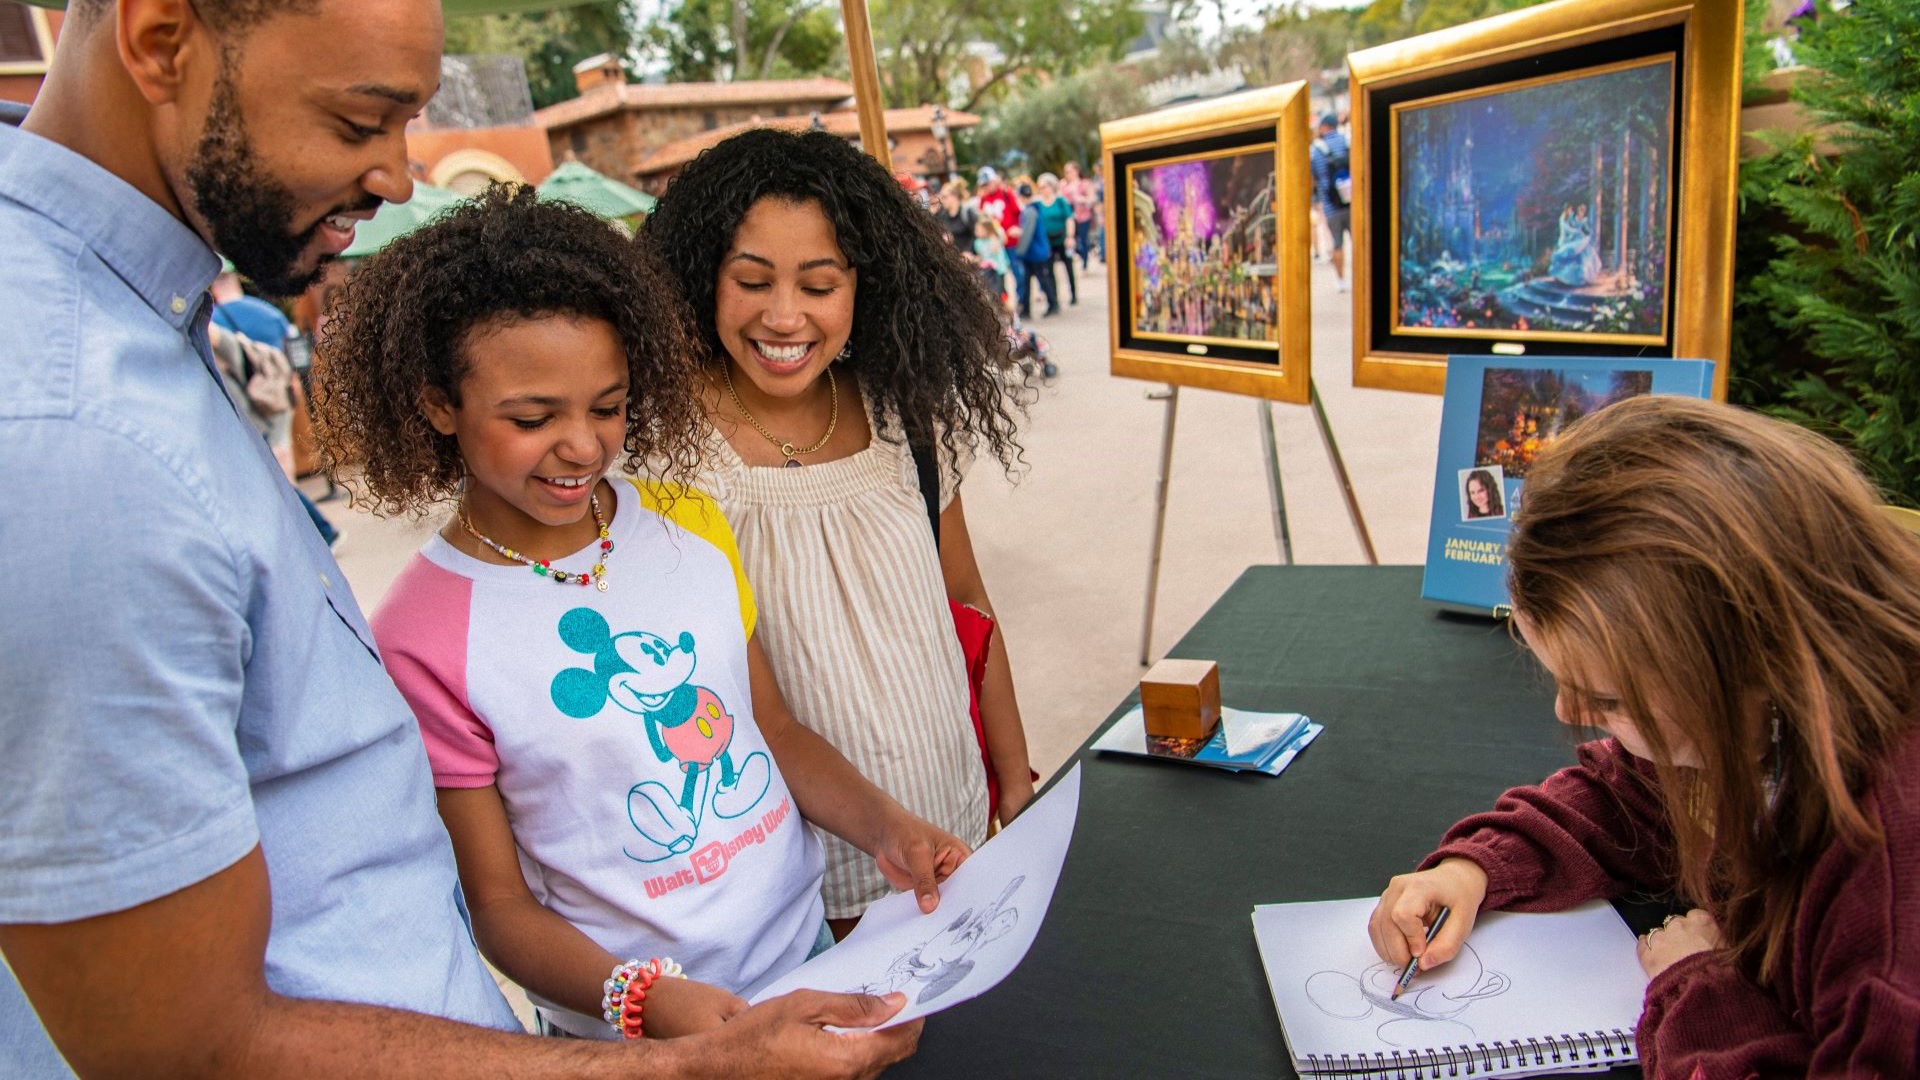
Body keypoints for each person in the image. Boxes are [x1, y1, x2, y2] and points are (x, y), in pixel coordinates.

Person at [0, 0, 919, 1075]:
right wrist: (678, 1056)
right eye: (358, 122)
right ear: (160, 39)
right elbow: (184, 1038)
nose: (398, 177)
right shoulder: (68, 432)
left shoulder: (129, 343)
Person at [314, 184, 969, 1041]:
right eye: (533, 416)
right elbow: (500, 908)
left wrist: (888, 828)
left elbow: (771, 729)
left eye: (609, 406)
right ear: (439, 404)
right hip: (641, 1032)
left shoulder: (687, 523)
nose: (583, 445)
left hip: (808, 951)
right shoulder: (421, 636)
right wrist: (649, 1002)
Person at [1369, 396, 1920, 1079]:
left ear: (1745, 662)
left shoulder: (1889, 880)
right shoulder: (1762, 714)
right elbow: (1635, 798)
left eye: (1608, 698)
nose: (1570, 713)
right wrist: (1475, 868)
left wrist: (1701, 993)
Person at [641, 128, 1038, 939]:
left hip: (953, 843)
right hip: (792, 890)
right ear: (699, 280)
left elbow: (966, 599)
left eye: (819, 285)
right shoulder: (663, 451)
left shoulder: (908, 421)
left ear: (868, 287)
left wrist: (1012, 781)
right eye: (751, 280)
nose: (784, 315)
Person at [213, 258, 342, 548]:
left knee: (275, 475)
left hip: (249, 404)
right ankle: (314, 532)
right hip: (280, 395)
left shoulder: (215, 322)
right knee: (281, 466)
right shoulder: (267, 312)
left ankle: (318, 532)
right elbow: (292, 348)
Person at [1309, 113, 1353, 293]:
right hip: (1352, 200)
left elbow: (1313, 177)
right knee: (1360, 242)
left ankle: (1341, 280)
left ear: (1325, 126)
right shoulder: (1346, 142)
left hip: (1330, 205)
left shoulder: (1317, 149)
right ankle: (1364, 277)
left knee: (1336, 243)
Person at [1011, 181, 1058, 319]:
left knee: (1042, 279)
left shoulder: (1030, 211)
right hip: (1033, 253)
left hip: (1035, 253)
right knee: (1028, 281)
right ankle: (1026, 307)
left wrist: (1019, 251)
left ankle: (1052, 303)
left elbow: (1027, 234)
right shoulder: (1032, 209)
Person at [1034, 172, 1077, 306]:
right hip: (1047, 242)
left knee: (1068, 267)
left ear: (1051, 186)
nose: (1042, 190)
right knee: (1049, 270)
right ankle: (1054, 297)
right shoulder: (1038, 204)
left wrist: (1070, 236)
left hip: (1062, 238)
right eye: (1040, 187)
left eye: (1044, 186)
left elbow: (1069, 219)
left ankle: (1073, 294)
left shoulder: (1060, 201)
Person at [1060, 162, 1097, 271]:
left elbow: (1092, 199)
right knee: (1071, 240)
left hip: (1083, 216)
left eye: (1069, 171)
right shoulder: (1064, 186)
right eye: (1066, 172)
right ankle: (1081, 255)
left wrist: (1080, 199)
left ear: (1076, 171)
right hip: (1070, 218)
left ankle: (1085, 262)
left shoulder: (1084, 183)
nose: (1068, 174)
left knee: (1082, 239)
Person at [974, 166, 1022, 247]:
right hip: (994, 245)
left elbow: (1020, 213)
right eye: (983, 185)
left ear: (994, 180)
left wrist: (1019, 229)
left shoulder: (1006, 193)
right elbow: (982, 219)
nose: (986, 187)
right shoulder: (982, 199)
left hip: (1012, 243)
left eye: (988, 183)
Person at [933, 180, 977, 251]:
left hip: (968, 259)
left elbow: (977, 235)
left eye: (944, 197)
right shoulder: (941, 215)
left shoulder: (967, 213)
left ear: (955, 196)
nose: (942, 200)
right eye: (941, 197)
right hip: (952, 258)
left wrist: (969, 251)